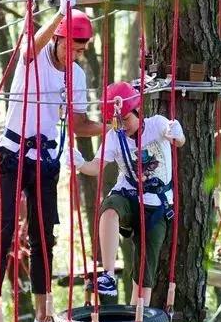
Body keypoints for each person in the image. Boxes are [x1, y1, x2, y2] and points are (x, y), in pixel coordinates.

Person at [0, 0, 104, 322]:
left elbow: (78, 124)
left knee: (42, 238)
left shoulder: (76, 77)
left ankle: (40, 316)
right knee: (1, 236)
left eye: (82, 50)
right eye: (72, 47)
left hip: (45, 161)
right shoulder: (32, 60)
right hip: (11, 155)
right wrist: (61, 12)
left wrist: (110, 126)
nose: (76, 55)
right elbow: (32, 44)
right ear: (59, 38)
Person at [73, 82, 185, 305]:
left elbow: (177, 141)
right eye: (117, 121)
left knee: (145, 270)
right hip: (128, 194)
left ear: (138, 112)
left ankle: (137, 321)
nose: (123, 126)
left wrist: (178, 134)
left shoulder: (158, 124)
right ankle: (108, 275)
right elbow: (96, 167)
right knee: (109, 209)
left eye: (126, 119)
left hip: (157, 203)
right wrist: (79, 164)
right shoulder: (115, 137)